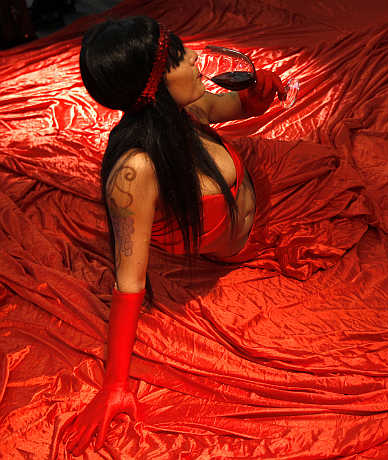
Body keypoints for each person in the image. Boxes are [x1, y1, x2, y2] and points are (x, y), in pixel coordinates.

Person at [60, 16, 286, 456]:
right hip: (234, 268)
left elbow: (235, 108)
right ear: (152, 86)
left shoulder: (184, 110)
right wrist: (115, 385)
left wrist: (257, 96)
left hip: (273, 219)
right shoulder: (135, 172)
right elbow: (129, 282)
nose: (199, 59)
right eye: (181, 57)